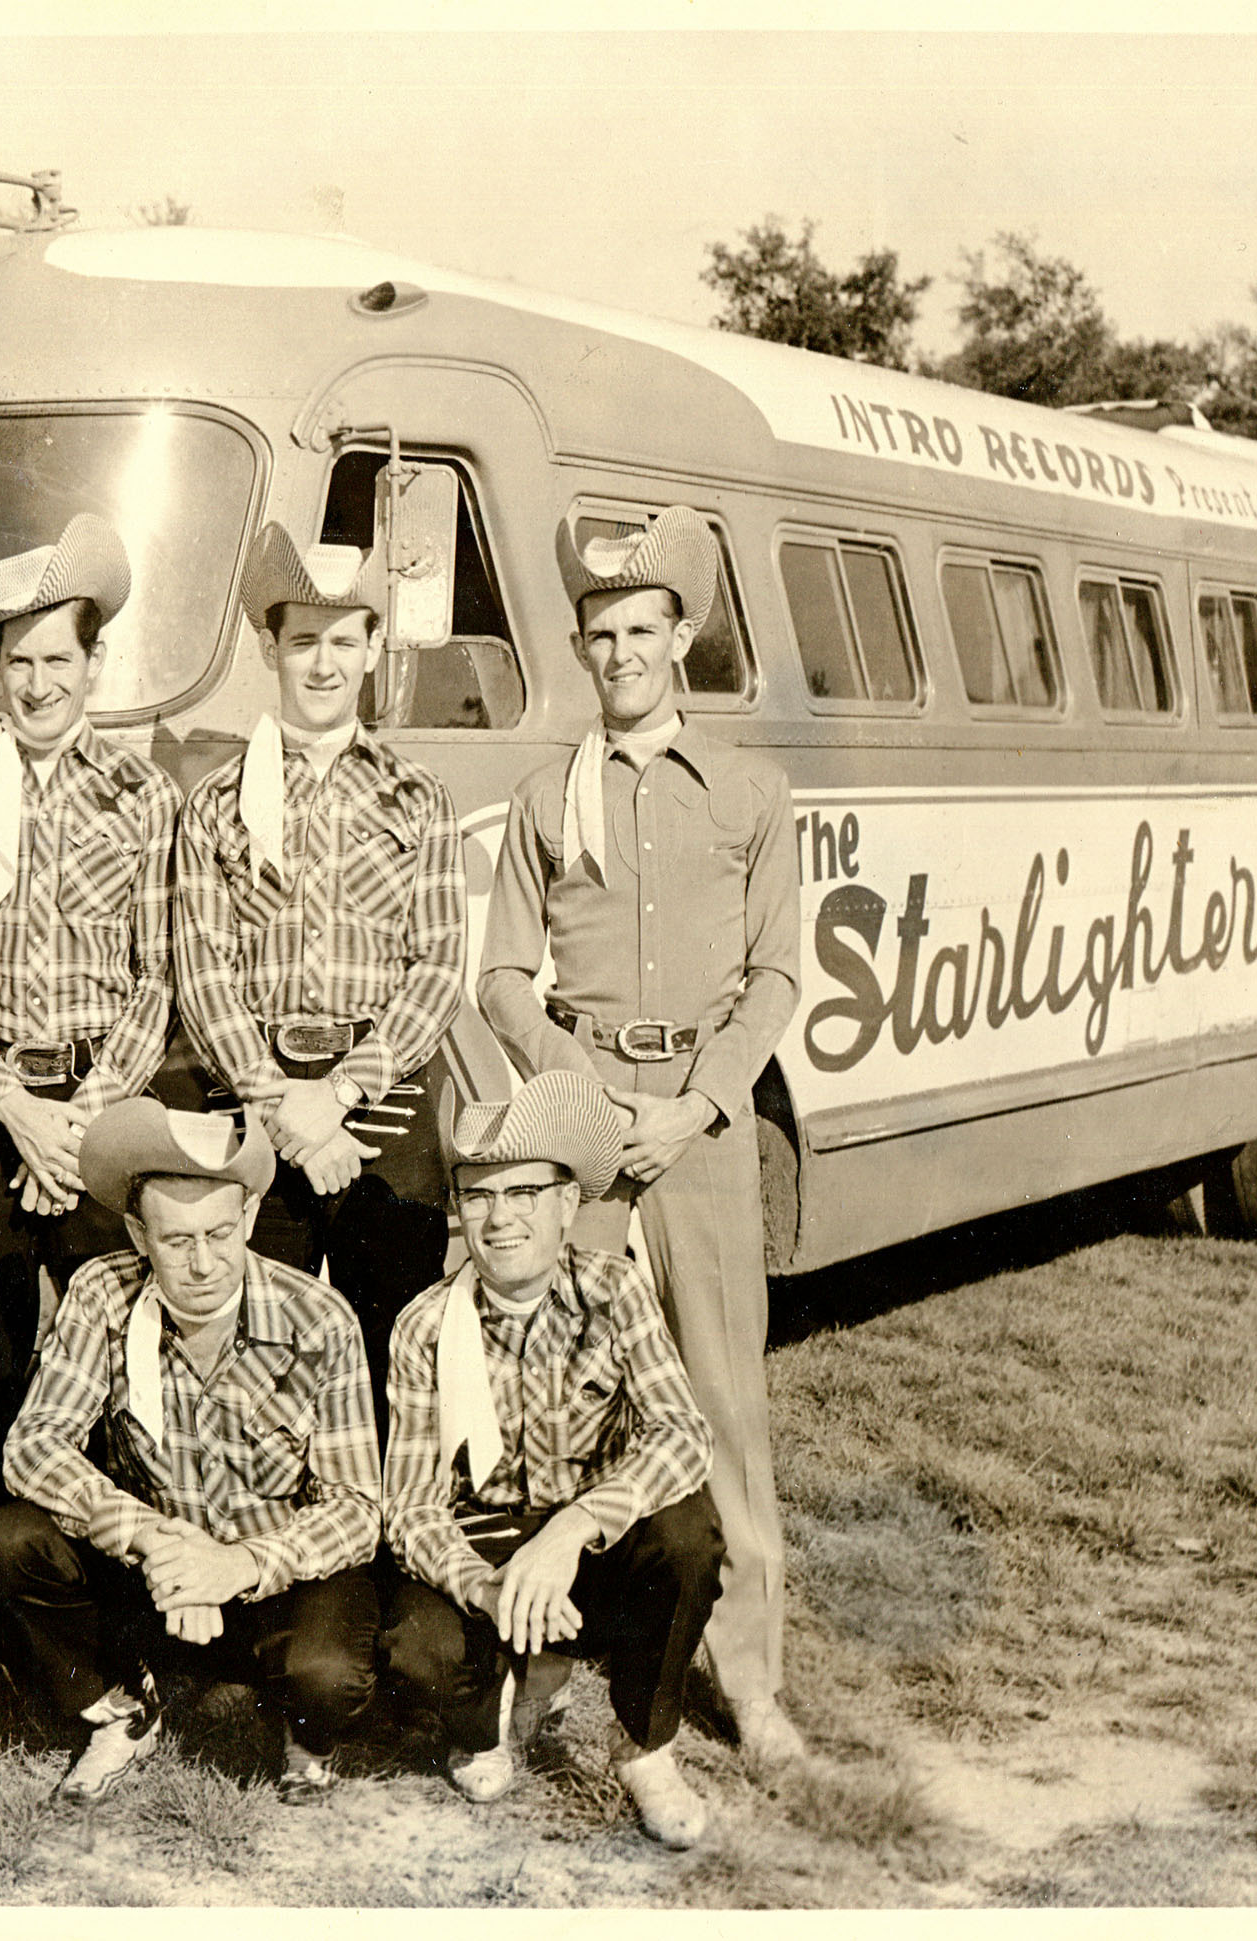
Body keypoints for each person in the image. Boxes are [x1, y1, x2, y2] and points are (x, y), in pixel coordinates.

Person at [476, 506, 806, 1764]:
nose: (619, 653)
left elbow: (776, 975)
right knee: (566, 1394)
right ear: (580, 647)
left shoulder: (749, 792)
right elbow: (506, 975)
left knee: (724, 1402)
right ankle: (553, 1655)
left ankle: (754, 1683)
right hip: (589, 1136)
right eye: (600, 634)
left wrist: (699, 1104)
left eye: (641, 631)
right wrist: (588, 1098)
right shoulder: (545, 798)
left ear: (683, 640)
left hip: (704, 1133)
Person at [0, 1100, 380, 1804]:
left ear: (252, 1218)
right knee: (14, 1540)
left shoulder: (319, 1318)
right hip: (154, 1576)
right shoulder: (103, 1290)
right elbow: (33, 1446)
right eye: (175, 1239)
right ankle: (125, 1707)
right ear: (138, 1232)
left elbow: (357, 1509)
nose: (201, 1263)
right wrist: (156, 1537)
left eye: (220, 1233)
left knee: (329, 1674)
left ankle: (303, 1733)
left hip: (269, 1580)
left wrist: (236, 1565)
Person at [0, 514, 185, 1474]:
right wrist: (16, 1108)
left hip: (102, 1115)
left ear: (92, 663)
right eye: (18, 661)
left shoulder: (144, 800)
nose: (38, 684)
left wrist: (80, 1121)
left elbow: (161, 977)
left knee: (127, 1362)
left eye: (57, 660)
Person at [380, 1069, 722, 1848]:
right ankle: (486, 1714)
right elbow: (408, 1506)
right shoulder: (425, 1325)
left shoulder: (613, 1287)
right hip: (486, 1542)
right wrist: (485, 1584)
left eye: (523, 1192)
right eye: (478, 1195)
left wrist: (571, 1530)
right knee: (412, 1647)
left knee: (689, 1535)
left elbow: (683, 1432)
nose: (500, 1218)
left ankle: (645, 1746)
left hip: (587, 1538)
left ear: (568, 1203)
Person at [172, 522, 466, 1407]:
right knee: (259, 1355)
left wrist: (337, 1095)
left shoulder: (419, 797)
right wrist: (281, 1104)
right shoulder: (216, 802)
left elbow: (441, 963)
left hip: (384, 1102)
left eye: (345, 640)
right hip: (257, 1108)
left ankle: (389, 1539)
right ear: (271, 649)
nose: (324, 663)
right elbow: (204, 970)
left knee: (395, 1355)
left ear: (374, 647)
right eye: (303, 641)